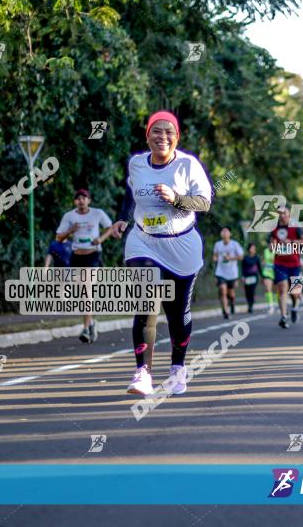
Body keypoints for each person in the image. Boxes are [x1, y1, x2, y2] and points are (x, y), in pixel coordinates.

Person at [106, 110, 212, 396]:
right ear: (147, 135)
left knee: (177, 314)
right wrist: (123, 218)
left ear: (176, 137)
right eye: (157, 130)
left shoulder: (188, 165)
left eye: (168, 132)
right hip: (144, 240)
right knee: (146, 302)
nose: (162, 136)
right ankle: (142, 372)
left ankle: (178, 368)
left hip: (182, 244)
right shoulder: (137, 163)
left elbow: (204, 203)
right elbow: (131, 193)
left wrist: (176, 199)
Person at [55, 189, 113, 343]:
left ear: (89, 200)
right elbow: (58, 238)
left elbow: (111, 227)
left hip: (92, 256)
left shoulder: (97, 213)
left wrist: (101, 239)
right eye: (78, 198)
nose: (81, 200)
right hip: (76, 257)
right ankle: (91, 323)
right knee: (82, 294)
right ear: (75, 201)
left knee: (87, 290)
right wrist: (70, 231)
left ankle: (86, 329)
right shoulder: (69, 216)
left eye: (84, 198)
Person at [270, 206, 303, 329]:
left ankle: (295, 308)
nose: (282, 215)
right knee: (282, 287)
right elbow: (271, 246)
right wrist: (273, 246)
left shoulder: (296, 227)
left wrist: (291, 242)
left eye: (284, 213)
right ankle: (283, 316)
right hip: (280, 262)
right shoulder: (274, 228)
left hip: (295, 263)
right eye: (279, 213)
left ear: (289, 214)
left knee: (295, 292)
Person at [213, 227, 243, 319]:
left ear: (230, 234)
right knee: (222, 290)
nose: (224, 233)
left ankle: (232, 302)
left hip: (232, 273)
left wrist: (231, 258)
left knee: (231, 293)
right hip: (220, 272)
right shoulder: (218, 244)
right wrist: (215, 259)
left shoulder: (235, 244)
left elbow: (241, 256)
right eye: (223, 231)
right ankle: (226, 311)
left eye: (226, 231)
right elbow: (215, 256)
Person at [241, 242, 262, 313]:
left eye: (254, 248)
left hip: (254, 277)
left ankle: (251, 306)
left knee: (252, 291)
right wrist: (242, 276)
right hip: (247, 276)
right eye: (251, 248)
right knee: (247, 292)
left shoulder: (256, 257)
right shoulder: (245, 258)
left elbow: (259, 268)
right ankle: (249, 304)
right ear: (249, 249)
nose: (253, 249)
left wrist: (262, 276)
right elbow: (242, 268)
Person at [261, 245, 276, 314]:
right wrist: (263, 262)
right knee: (268, 289)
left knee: (277, 290)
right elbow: (263, 260)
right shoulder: (265, 251)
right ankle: (271, 306)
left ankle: (276, 304)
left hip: (276, 273)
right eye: (270, 243)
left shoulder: (279, 251)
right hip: (267, 272)